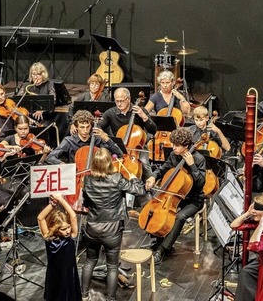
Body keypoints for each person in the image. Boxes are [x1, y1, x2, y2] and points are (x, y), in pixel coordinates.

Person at [79, 148, 146, 301]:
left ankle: (83, 296)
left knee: (89, 261)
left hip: (92, 227)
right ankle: (110, 298)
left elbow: (86, 204)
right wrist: (135, 179)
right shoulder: (117, 178)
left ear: (94, 164)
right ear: (109, 163)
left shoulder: (87, 180)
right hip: (112, 229)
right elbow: (139, 191)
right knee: (112, 266)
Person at [144, 127, 206, 264]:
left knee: (180, 217)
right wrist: (153, 177)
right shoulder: (174, 156)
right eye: (173, 145)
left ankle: (162, 250)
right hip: (174, 195)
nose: (173, 148)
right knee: (156, 209)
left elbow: (201, 183)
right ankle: (158, 238)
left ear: (186, 145)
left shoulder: (199, 159)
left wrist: (193, 166)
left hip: (193, 199)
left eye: (177, 146)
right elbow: (163, 169)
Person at [97, 87, 157, 180]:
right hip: (118, 147)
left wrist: (143, 116)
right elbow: (99, 126)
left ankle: (149, 187)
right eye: (117, 101)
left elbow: (153, 130)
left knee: (144, 163)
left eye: (122, 101)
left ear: (128, 99)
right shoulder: (110, 113)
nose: (119, 104)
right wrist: (101, 133)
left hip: (137, 148)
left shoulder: (140, 111)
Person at [37, 194, 80, 301]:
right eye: (63, 229)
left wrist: (61, 200)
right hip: (54, 275)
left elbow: (73, 216)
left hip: (69, 273)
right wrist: (53, 204)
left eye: (68, 227)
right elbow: (40, 218)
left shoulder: (71, 236)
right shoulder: (48, 237)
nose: (67, 231)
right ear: (55, 228)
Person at [46, 110, 123, 165]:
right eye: (82, 127)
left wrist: (106, 138)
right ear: (76, 127)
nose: (85, 131)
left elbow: (119, 154)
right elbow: (50, 157)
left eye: (88, 127)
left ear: (91, 126)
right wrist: (63, 164)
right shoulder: (69, 141)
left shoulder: (97, 140)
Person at [18, 62, 69, 140]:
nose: (35, 77)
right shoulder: (27, 85)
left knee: (43, 127)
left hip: (45, 116)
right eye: (33, 74)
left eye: (38, 74)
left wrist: (42, 110)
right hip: (30, 116)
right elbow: (18, 100)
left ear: (43, 74)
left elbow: (53, 100)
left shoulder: (49, 84)